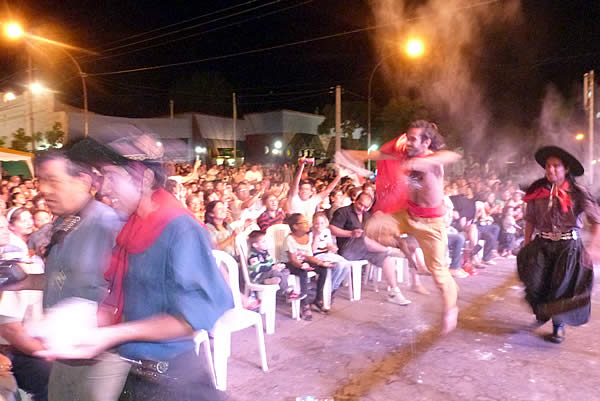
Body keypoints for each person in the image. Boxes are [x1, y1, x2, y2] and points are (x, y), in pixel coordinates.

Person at [38, 136, 234, 400]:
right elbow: (120, 300)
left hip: (171, 380)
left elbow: (193, 318)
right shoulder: (131, 227)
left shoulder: (178, 227)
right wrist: (73, 331)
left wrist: (111, 334)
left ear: (142, 177)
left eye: (110, 176)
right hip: (134, 374)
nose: (101, 187)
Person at [2, 150, 131, 401]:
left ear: (83, 181)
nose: (44, 189)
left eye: (53, 180)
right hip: (64, 351)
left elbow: (130, 289)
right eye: (41, 181)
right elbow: (62, 278)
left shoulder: (109, 226)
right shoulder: (65, 223)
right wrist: (25, 282)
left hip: (100, 357)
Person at [342, 120, 461, 335]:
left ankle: (451, 309)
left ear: (427, 142)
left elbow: (452, 156)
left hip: (430, 224)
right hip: (407, 215)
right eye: (408, 137)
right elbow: (379, 155)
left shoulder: (434, 161)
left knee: (439, 275)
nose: (408, 142)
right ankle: (403, 244)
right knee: (372, 227)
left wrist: (419, 164)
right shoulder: (406, 155)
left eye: (413, 139)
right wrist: (351, 154)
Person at [517, 146, 600, 344]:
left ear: (566, 169)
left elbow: (596, 219)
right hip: (542, 244)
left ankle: (558, 327)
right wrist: (527, 242)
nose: (551, 170)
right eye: (548, 166)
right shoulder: (537, 191)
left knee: (560, 288)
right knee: (535, 282)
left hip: (568, 247)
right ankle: (542, 310)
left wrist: (594, 247)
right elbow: (530, 219)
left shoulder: (578, 193)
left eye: (556, 166)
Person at [0, 213, 50, 401]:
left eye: (5, 227)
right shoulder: (20, 269)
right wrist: (48, 353)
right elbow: (10, 329)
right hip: (13, 350)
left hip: (24, 349)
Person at [330, 193, 411, 305]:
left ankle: (394, 292)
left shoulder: (366, 215)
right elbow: (332, 229)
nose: (362, 208)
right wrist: (350, 233)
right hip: (348, 249)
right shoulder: (342, 212)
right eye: (360, 205)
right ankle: (390, 250)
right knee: (364, 237)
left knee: (387, 259)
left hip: (366, 249)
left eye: (366, 207)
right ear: (355, 200)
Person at [283, 213, 335, 320]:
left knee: (323, 270)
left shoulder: (307, 237)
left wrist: (321, 263)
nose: (308, 224)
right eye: (304, 223)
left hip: (303, 261)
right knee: (303, 273)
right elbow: (292, 260)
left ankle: (318, 299)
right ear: (295, 226)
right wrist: (302, 266)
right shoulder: (289, 239)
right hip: (291, 264)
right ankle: (305, 304)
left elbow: (309, 256)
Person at [246, 230, 299, 299]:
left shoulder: (265, 252)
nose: (266, 243)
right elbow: (256, 268)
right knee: (275, 272)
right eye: (263, 242)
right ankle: (286, 290)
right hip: (258, 276)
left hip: (267, 273)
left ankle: (269, 281)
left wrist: (277, 266)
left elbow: (270, 263)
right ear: (255, 245)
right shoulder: (253, 255)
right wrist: (272, 268)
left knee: (286, 271)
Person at [311, 212, 350, 298]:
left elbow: (328, 244)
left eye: (322, 223)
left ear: (325, 223)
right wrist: (316, 236)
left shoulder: (326, 231)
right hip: (316, 256)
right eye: (317, 223)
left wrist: (332, 247)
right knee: (338, 265)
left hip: (326, 254)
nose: (319, 226)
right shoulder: (311, 233)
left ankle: (333, 288)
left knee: (346, 264)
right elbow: (312, 251)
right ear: (313, 223)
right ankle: (328, 291)